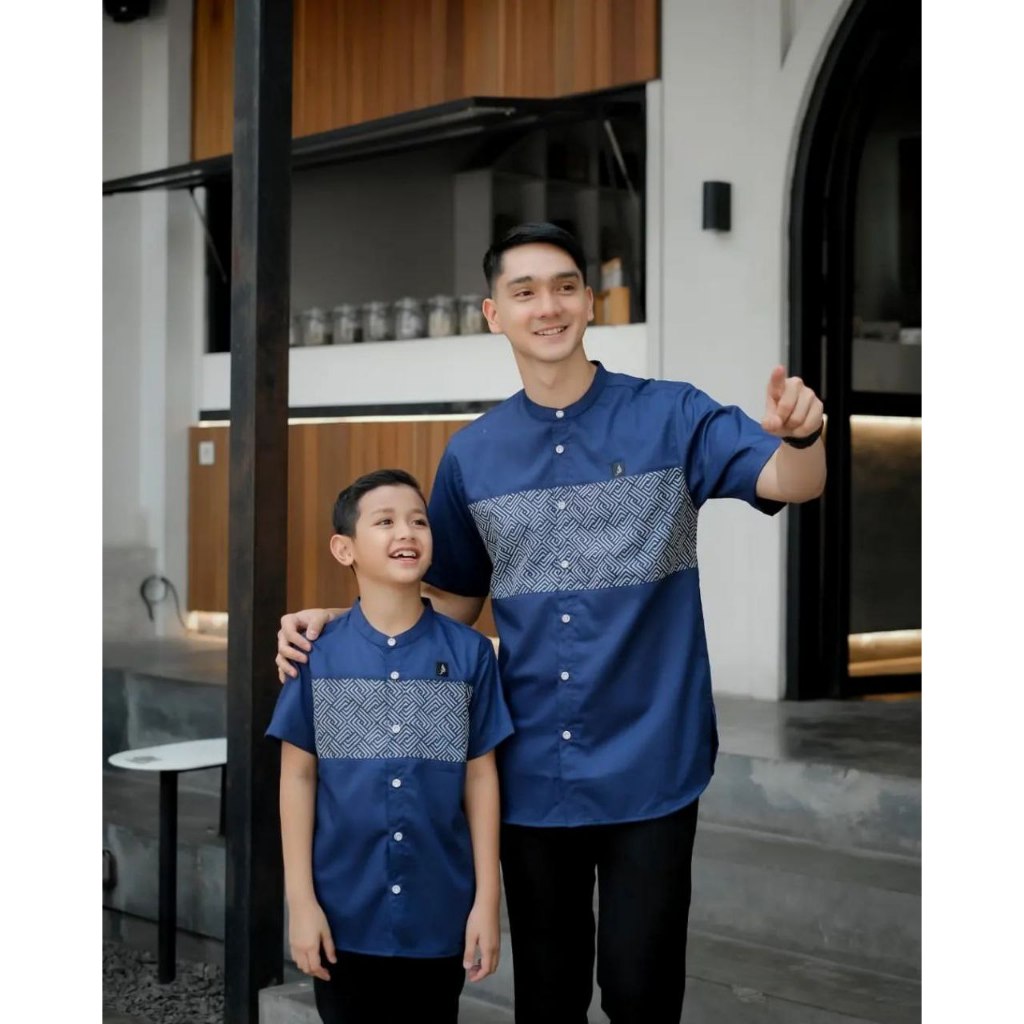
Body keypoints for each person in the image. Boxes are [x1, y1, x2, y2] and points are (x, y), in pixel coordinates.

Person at [276, 223, 826, 1024]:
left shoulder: (672, 415)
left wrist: (803, 433)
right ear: (493, 313)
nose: (548, 306)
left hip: (653, 761)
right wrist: (345, 617)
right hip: (531, 768)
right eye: (525, 291)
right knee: (547, 997)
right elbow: (450, 607)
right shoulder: (473, 456)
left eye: (565, 287)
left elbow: (791, 480)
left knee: (640, 992)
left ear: (589, 302)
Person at [266, 468, 514, 1024]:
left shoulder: (472, 655)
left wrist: (486, 901)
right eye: (385, 522)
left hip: (439, 914)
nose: (406, 532)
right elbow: (297, 777)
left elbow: (481, 778)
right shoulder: (316, 656)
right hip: (343, 914)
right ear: (344, 549)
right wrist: (301, 903)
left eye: (418, 521)